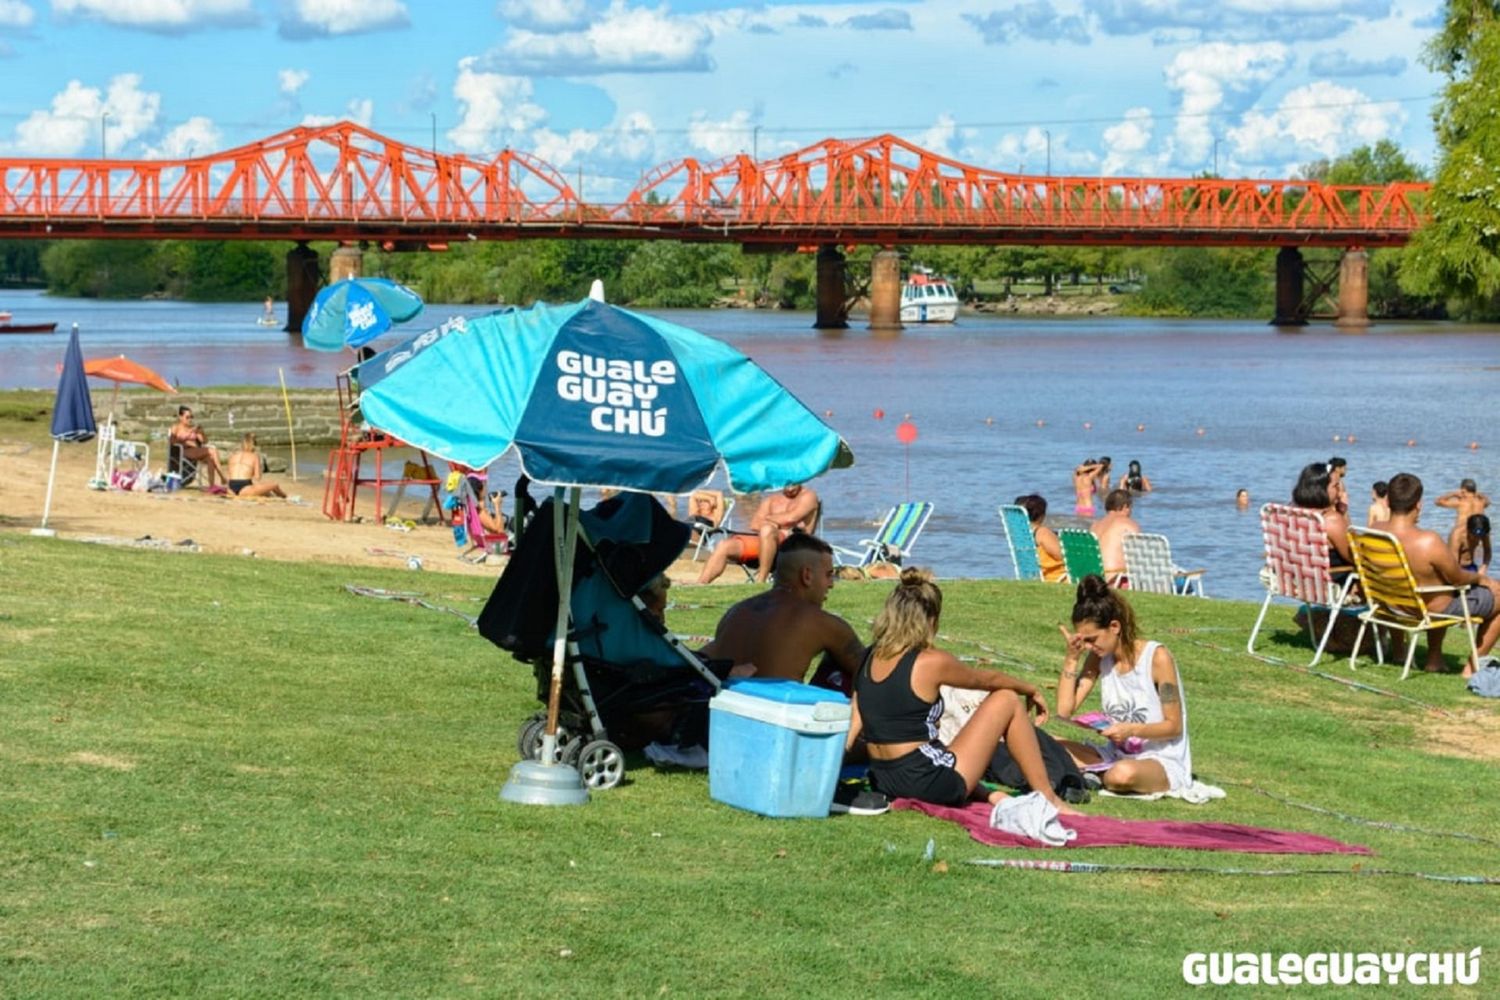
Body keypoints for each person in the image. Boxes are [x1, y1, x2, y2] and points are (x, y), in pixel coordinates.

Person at [846, 567, 1078, 814]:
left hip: (883, 778)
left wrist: (832, 769)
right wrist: (1029, 689)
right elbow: (987, 679)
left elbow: (855, 718)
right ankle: (1048, 797)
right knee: (1007, 699)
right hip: (926, 781)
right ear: (931, 620)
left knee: (938, 748)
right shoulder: (929, 661)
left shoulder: (868, 656)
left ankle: (989, 794)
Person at [1055, 575, 1192, 795]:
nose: (1088, 647)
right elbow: (1064, 711)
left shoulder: (1157, 658)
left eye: (1092, 639)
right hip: (1114, 755)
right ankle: (1093, 773)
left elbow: (1174, 727)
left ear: (1114, 627)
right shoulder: (1099, 658)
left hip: (1158, 759)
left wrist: (1131, 730)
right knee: (1044, 743)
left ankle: (1091, 774)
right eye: (1084, 641)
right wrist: (1071, 658)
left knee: (1122, 774)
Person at [1371, 473, 1500, 676]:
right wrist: (1481, 578)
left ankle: (1424, 657)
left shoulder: (1374, 531)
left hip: (1391, 604)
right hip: (1425, 608)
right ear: (1418, 505)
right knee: (1493, 594)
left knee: (1434, 583)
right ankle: (1471, 668)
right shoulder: (1428, 541)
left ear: (1387, 501)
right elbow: (1457, 578)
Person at [699, 532, 865, 684]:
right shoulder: (820, 622)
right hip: (776, 711)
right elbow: (869, 672)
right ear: (807, 576)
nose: (831, 584)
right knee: (836, 665)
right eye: (828, 575)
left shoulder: (735, 612)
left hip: (726, 708)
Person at [696, 483, 819, 585]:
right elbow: (755, 524)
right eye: (786, 482)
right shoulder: (772, 500)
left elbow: (791, 518)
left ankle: (761, 580)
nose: (790, 487)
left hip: (794, 547)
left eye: (793, 481)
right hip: (766, 542)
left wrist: (769, 522)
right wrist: (774, 523)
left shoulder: (808, 496)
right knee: (725, 544)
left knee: (767, 529)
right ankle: (701, 583)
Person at [1292, 462, 1352, 578]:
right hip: (1331, 581)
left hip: (1301, 578)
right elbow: (1353, 557)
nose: (1340, 491)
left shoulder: (1294, 512)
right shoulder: (1330, 520)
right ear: (1321, 490)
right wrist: (1343, 513)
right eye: (1335, 486)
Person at [168, 405, 226, 487]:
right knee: (212, 450)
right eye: (187, 417)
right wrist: (186, 442)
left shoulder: (193, 428)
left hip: (196, 450)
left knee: (211, 459)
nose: (190, 419)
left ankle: (212, 486)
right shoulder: (176, 427)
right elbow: (172, 441)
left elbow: (204, 441)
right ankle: (222, 477)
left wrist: (201, 432)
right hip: (184, 451)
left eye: (191, 417)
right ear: (180, 417)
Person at [1090, 489, 1139, 582]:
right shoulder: (1128, 524)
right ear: (1125, 507)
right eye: (1131, 508)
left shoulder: (1095, 525)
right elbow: (1138, 556)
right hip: (1115, 579)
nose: (1131, 512)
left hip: (1094, 578)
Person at [1016, 494, 1066, 583]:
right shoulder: (1042, 533)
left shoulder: (1022, 534)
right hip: (1056, 576)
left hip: (1039, 575)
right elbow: (1064, 556)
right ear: (1042, 515)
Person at [224, 432, 286, 498]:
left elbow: (229, 475)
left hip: (231, 487)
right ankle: (284, 496)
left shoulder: (233, 456)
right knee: (274, 485)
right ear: (254, 445)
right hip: (245, 488)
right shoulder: (254, 456)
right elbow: (257, 477)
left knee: (266, 492)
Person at [1436, 479, 1490, 555]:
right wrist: (1479, 494)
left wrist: (1453, 494)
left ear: (1463, 490)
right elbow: (1488, 502)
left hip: (1462, 534)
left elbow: (1438, 502)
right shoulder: (1480, 502)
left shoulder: (1461, 502)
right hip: (1478, 534)